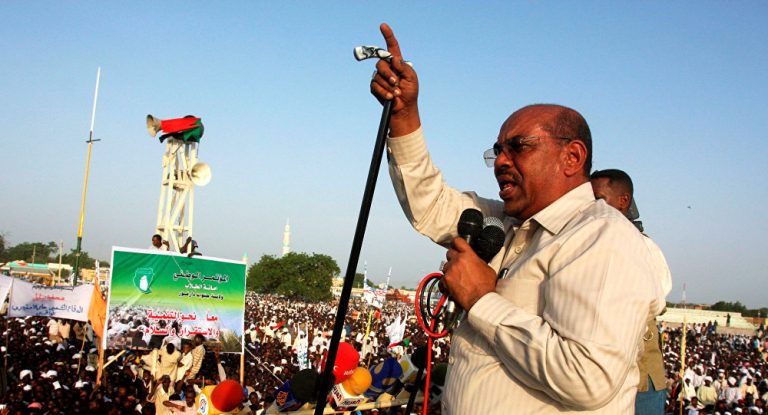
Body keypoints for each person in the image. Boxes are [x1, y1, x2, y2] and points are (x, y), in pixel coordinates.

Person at [370, 23, 664, 414]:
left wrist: (481, 299)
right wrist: (404, 115)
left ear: (572, 158)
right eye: (498, 151)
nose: (501, 162)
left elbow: (586, 378)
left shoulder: (603, 238)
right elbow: (432, 204)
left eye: (518, 147)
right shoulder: (506, 224)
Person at [590, 168, 672, 415]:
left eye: (598, 199)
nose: (591, 207)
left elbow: (655, 301)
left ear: (623, 201)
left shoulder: (643, 246)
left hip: (641, 380)